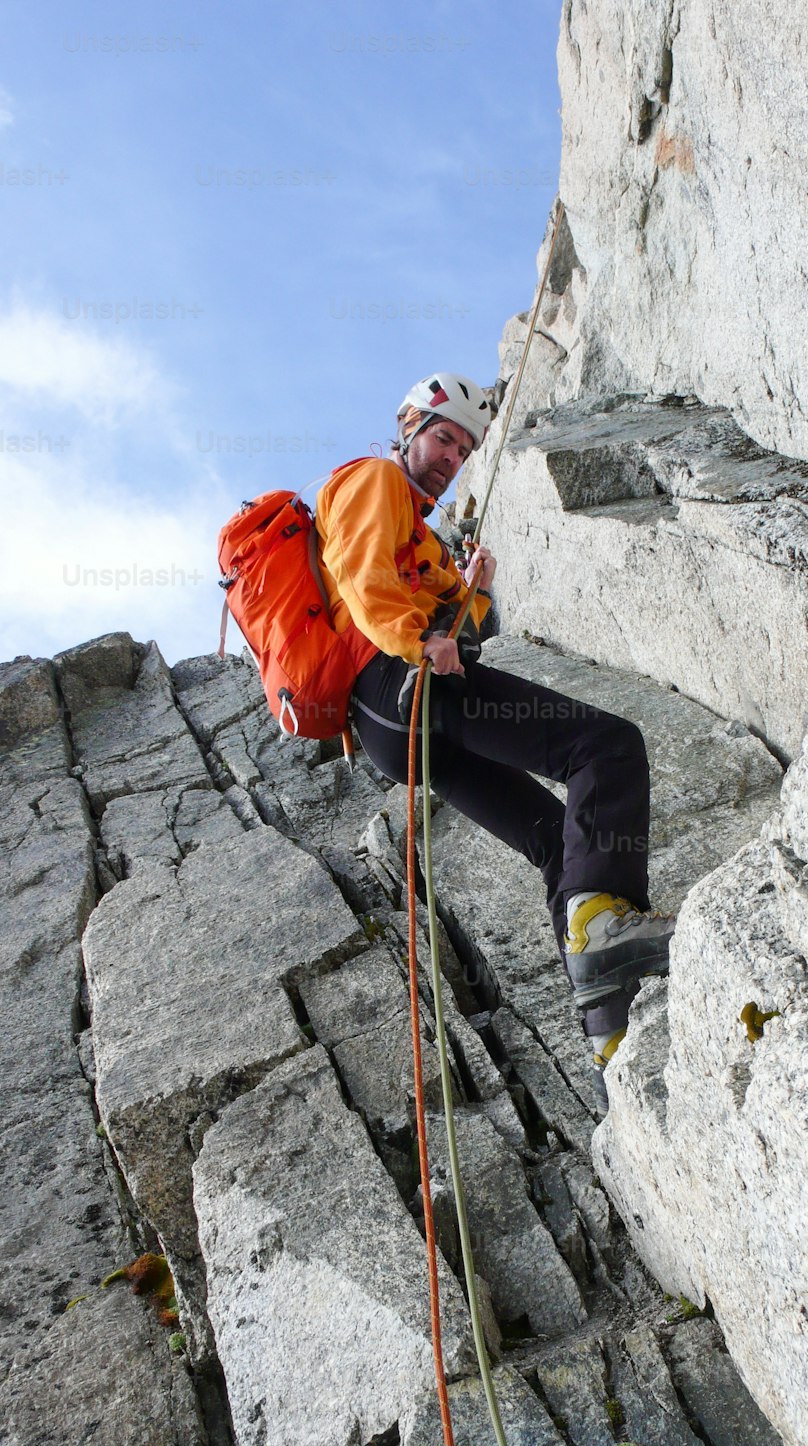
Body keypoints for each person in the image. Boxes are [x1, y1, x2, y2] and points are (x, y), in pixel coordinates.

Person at [313, 372, 674, 1112]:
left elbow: (461, 629)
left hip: (397, 721)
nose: (451, 458)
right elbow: (359, 575)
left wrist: (468, 589)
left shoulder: (426, 537)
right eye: (443, 437)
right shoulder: (375, 478)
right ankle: (608, 930)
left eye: (463, 449)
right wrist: (421, 638)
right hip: (396, 684)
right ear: (409, 423)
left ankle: (609, 1030)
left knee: (554, 842)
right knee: (604, 748)